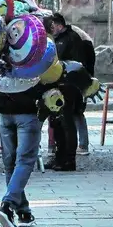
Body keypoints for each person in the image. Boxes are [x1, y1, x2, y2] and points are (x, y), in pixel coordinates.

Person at [44, 12, 95, 171]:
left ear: (59, 25)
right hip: (57, 85)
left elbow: (74, 64)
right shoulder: (58, 39)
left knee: (66, 122)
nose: (51, 29)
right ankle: (59, 157)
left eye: (52, 26)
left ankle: (68, 159)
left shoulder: (71, 39)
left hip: (68, 86)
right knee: (57, 122)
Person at [0, 78, 43, 227]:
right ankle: (8, 205)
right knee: (25, 160)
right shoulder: (31, 54)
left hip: (4, 109)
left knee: (10, 163)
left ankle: (23, 211)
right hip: (28, 109)